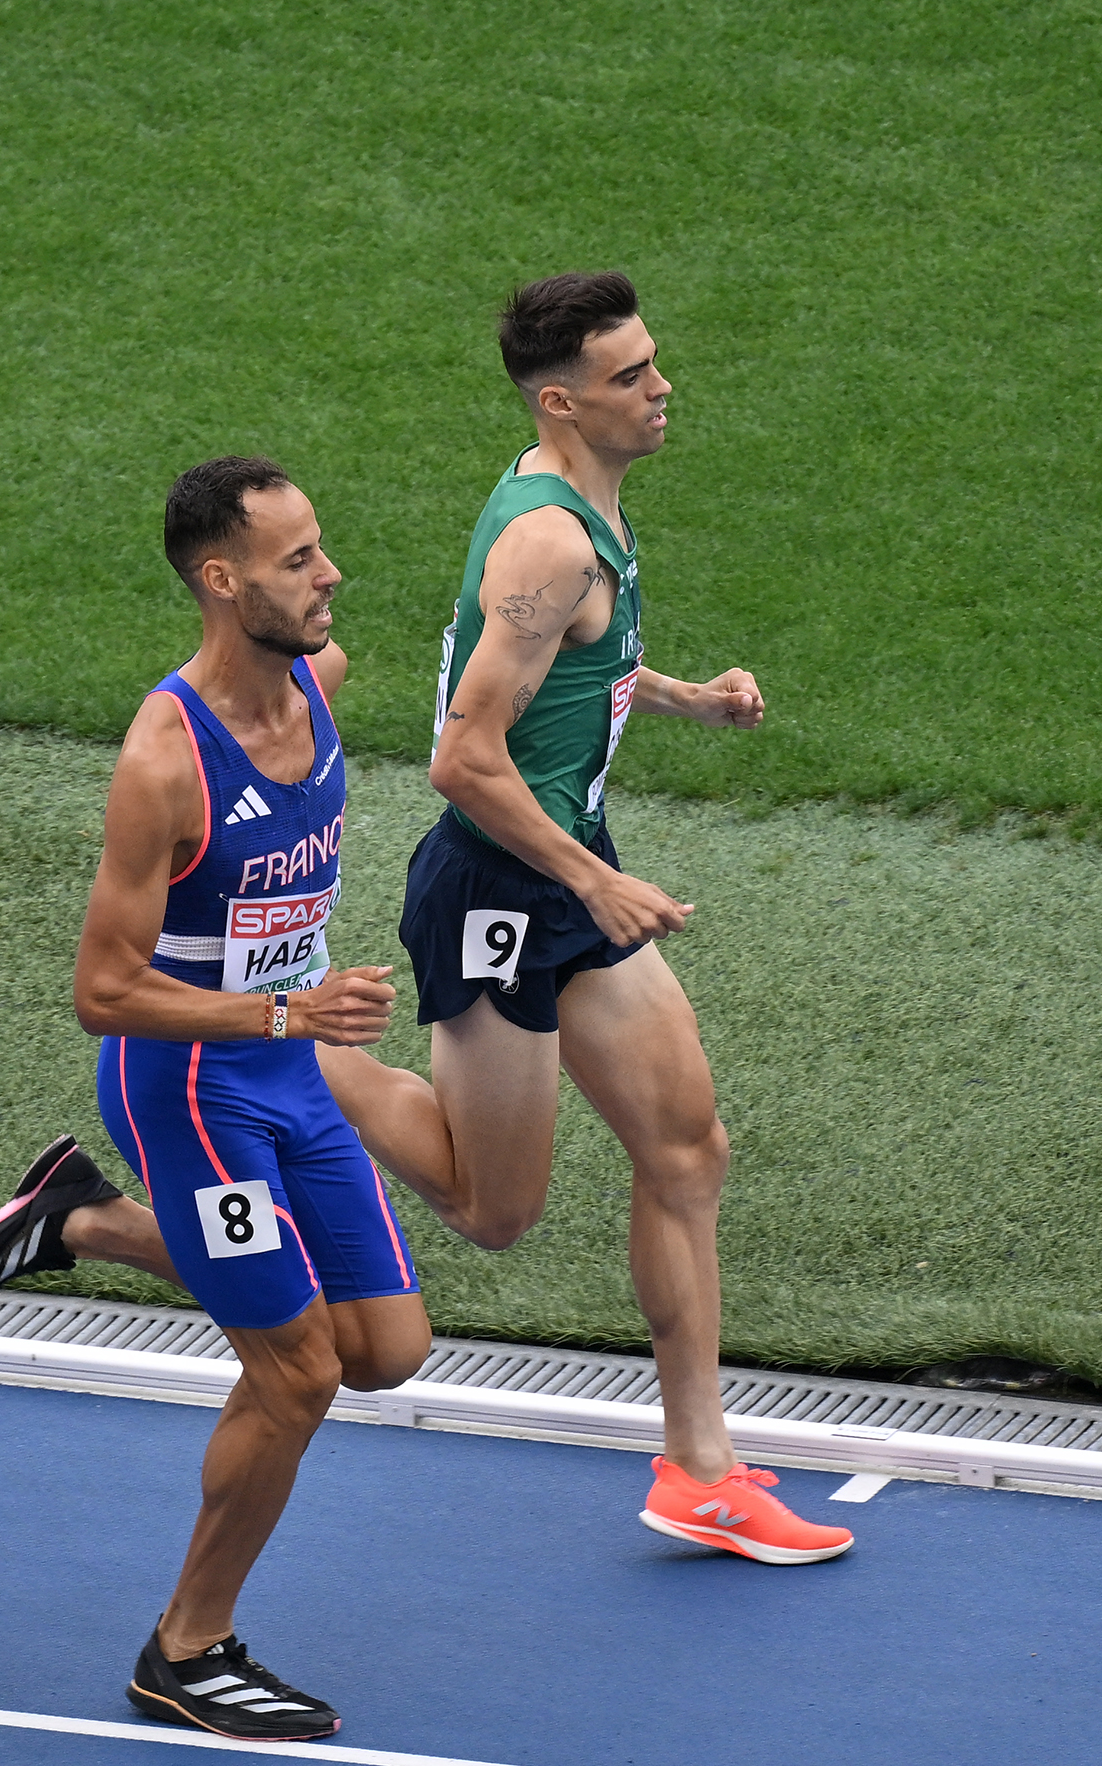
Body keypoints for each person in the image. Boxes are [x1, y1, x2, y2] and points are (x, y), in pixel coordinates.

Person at [315, 273, 850, 1564]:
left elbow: (577, 662)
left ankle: (700, 1469)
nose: (661, 389)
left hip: (563, 869)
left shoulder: (583, 503)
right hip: (502, 890)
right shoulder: (548, 542)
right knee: (493, 1209)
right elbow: (461, 757)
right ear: (561, 402)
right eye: (630, 376)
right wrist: (595, 883)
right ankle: (277, 1051)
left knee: (688, 1149)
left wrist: (686, 697)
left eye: (653, 362)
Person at [0, 459, 430, 1740]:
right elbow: (103, 991)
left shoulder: (318, 680)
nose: (330, 576)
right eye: (297, 560)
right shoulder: (164, 759)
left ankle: (82, 1221)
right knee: (299, 1371)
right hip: (190, 1085)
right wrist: (289, 1009)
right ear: (222, 581)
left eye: (320, 548)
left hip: (287, 1070)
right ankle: (187, 1646)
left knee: (387, 1349)